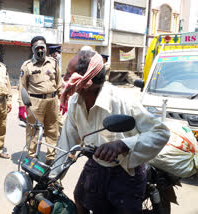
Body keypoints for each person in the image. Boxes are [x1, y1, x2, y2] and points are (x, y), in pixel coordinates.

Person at [53, 50, 170, 214]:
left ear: (87, 80)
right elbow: (67, 142)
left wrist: (122, 144)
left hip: (126, 171)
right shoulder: (75, 102)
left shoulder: (121, 100)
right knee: (79, 199)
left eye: (68, 74)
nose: (64, 79)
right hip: (96, 163)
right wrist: (52, 177)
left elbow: (161, 133)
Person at [18, 36, 62, 165]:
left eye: (42, 47)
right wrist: (22, 106)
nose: (40, 50)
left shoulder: (53, 63)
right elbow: (22, 87)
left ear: (46, 48)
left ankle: (51, 156)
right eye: (37, 48)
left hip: (52, 101)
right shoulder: (27, 66)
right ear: (33, 49)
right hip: (35, 102)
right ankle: (32, 156)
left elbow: (59, 82)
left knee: (52, 129)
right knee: (34, 130)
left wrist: (63, 100)